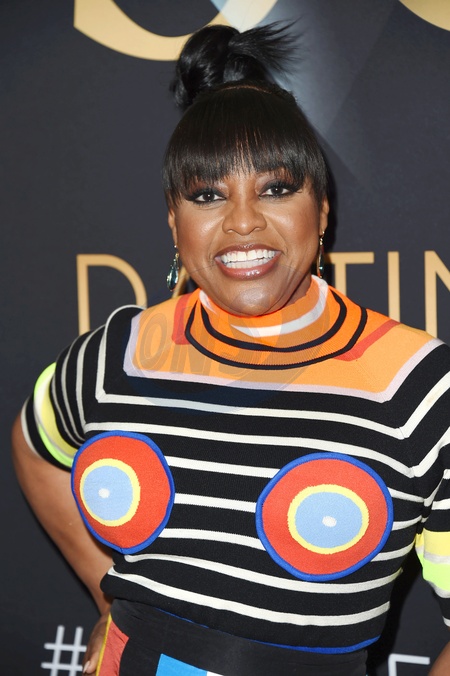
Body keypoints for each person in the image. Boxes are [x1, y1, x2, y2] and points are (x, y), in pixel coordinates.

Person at [11, 23, 450, 676]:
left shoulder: (417, 385)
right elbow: (34, 443)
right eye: (207, 195)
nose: (243, 222)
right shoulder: (119, 354)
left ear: (322, 211)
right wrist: (108, 598)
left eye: (276, 189)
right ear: (174, 221)